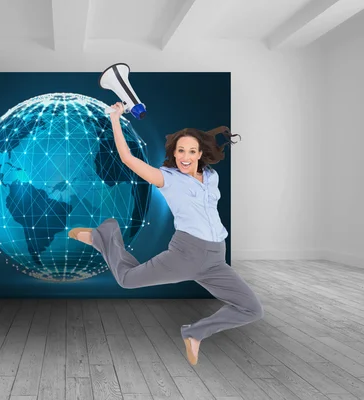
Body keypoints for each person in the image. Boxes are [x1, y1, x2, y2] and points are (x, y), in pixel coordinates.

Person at [69, 102, 263, 366]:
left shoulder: (211, 176)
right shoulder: (167, 178)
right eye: (180, 150)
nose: (185, 156)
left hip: (216, 258)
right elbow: (128, 159)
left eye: (191, 151)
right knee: (126, 279)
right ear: (174, 152)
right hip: (186, 253)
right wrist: (115, 119)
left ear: (200, 153)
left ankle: (195, 332)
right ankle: (105, 234)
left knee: (251, 308)